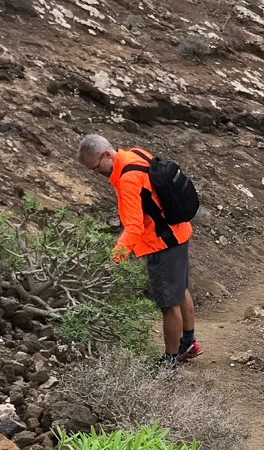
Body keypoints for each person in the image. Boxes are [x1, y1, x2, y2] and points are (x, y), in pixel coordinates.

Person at [78, 133, 200, 368]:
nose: (96, 173)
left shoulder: (128, 179)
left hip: (162, 242)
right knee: (180, 289)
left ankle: (170, 362)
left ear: (106, 155)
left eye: (96, 168)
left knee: (168, 303)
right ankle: (188, 342)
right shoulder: (135, 153)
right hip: (179, 231)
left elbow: (134, 226)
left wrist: (116, 257)